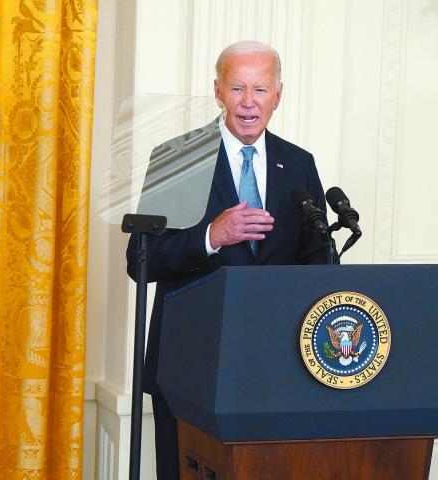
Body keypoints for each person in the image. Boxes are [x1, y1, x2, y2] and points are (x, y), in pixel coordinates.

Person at [126, 40, 328, 479]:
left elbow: (319, 264)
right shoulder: (180, 158)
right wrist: (210, 237)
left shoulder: (298, 164)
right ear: (218, 92)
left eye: (260, 89)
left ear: (279, 94)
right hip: (188, 364)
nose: (249, 103)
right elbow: (141, 259)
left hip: (276, 365)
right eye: (238, 88)